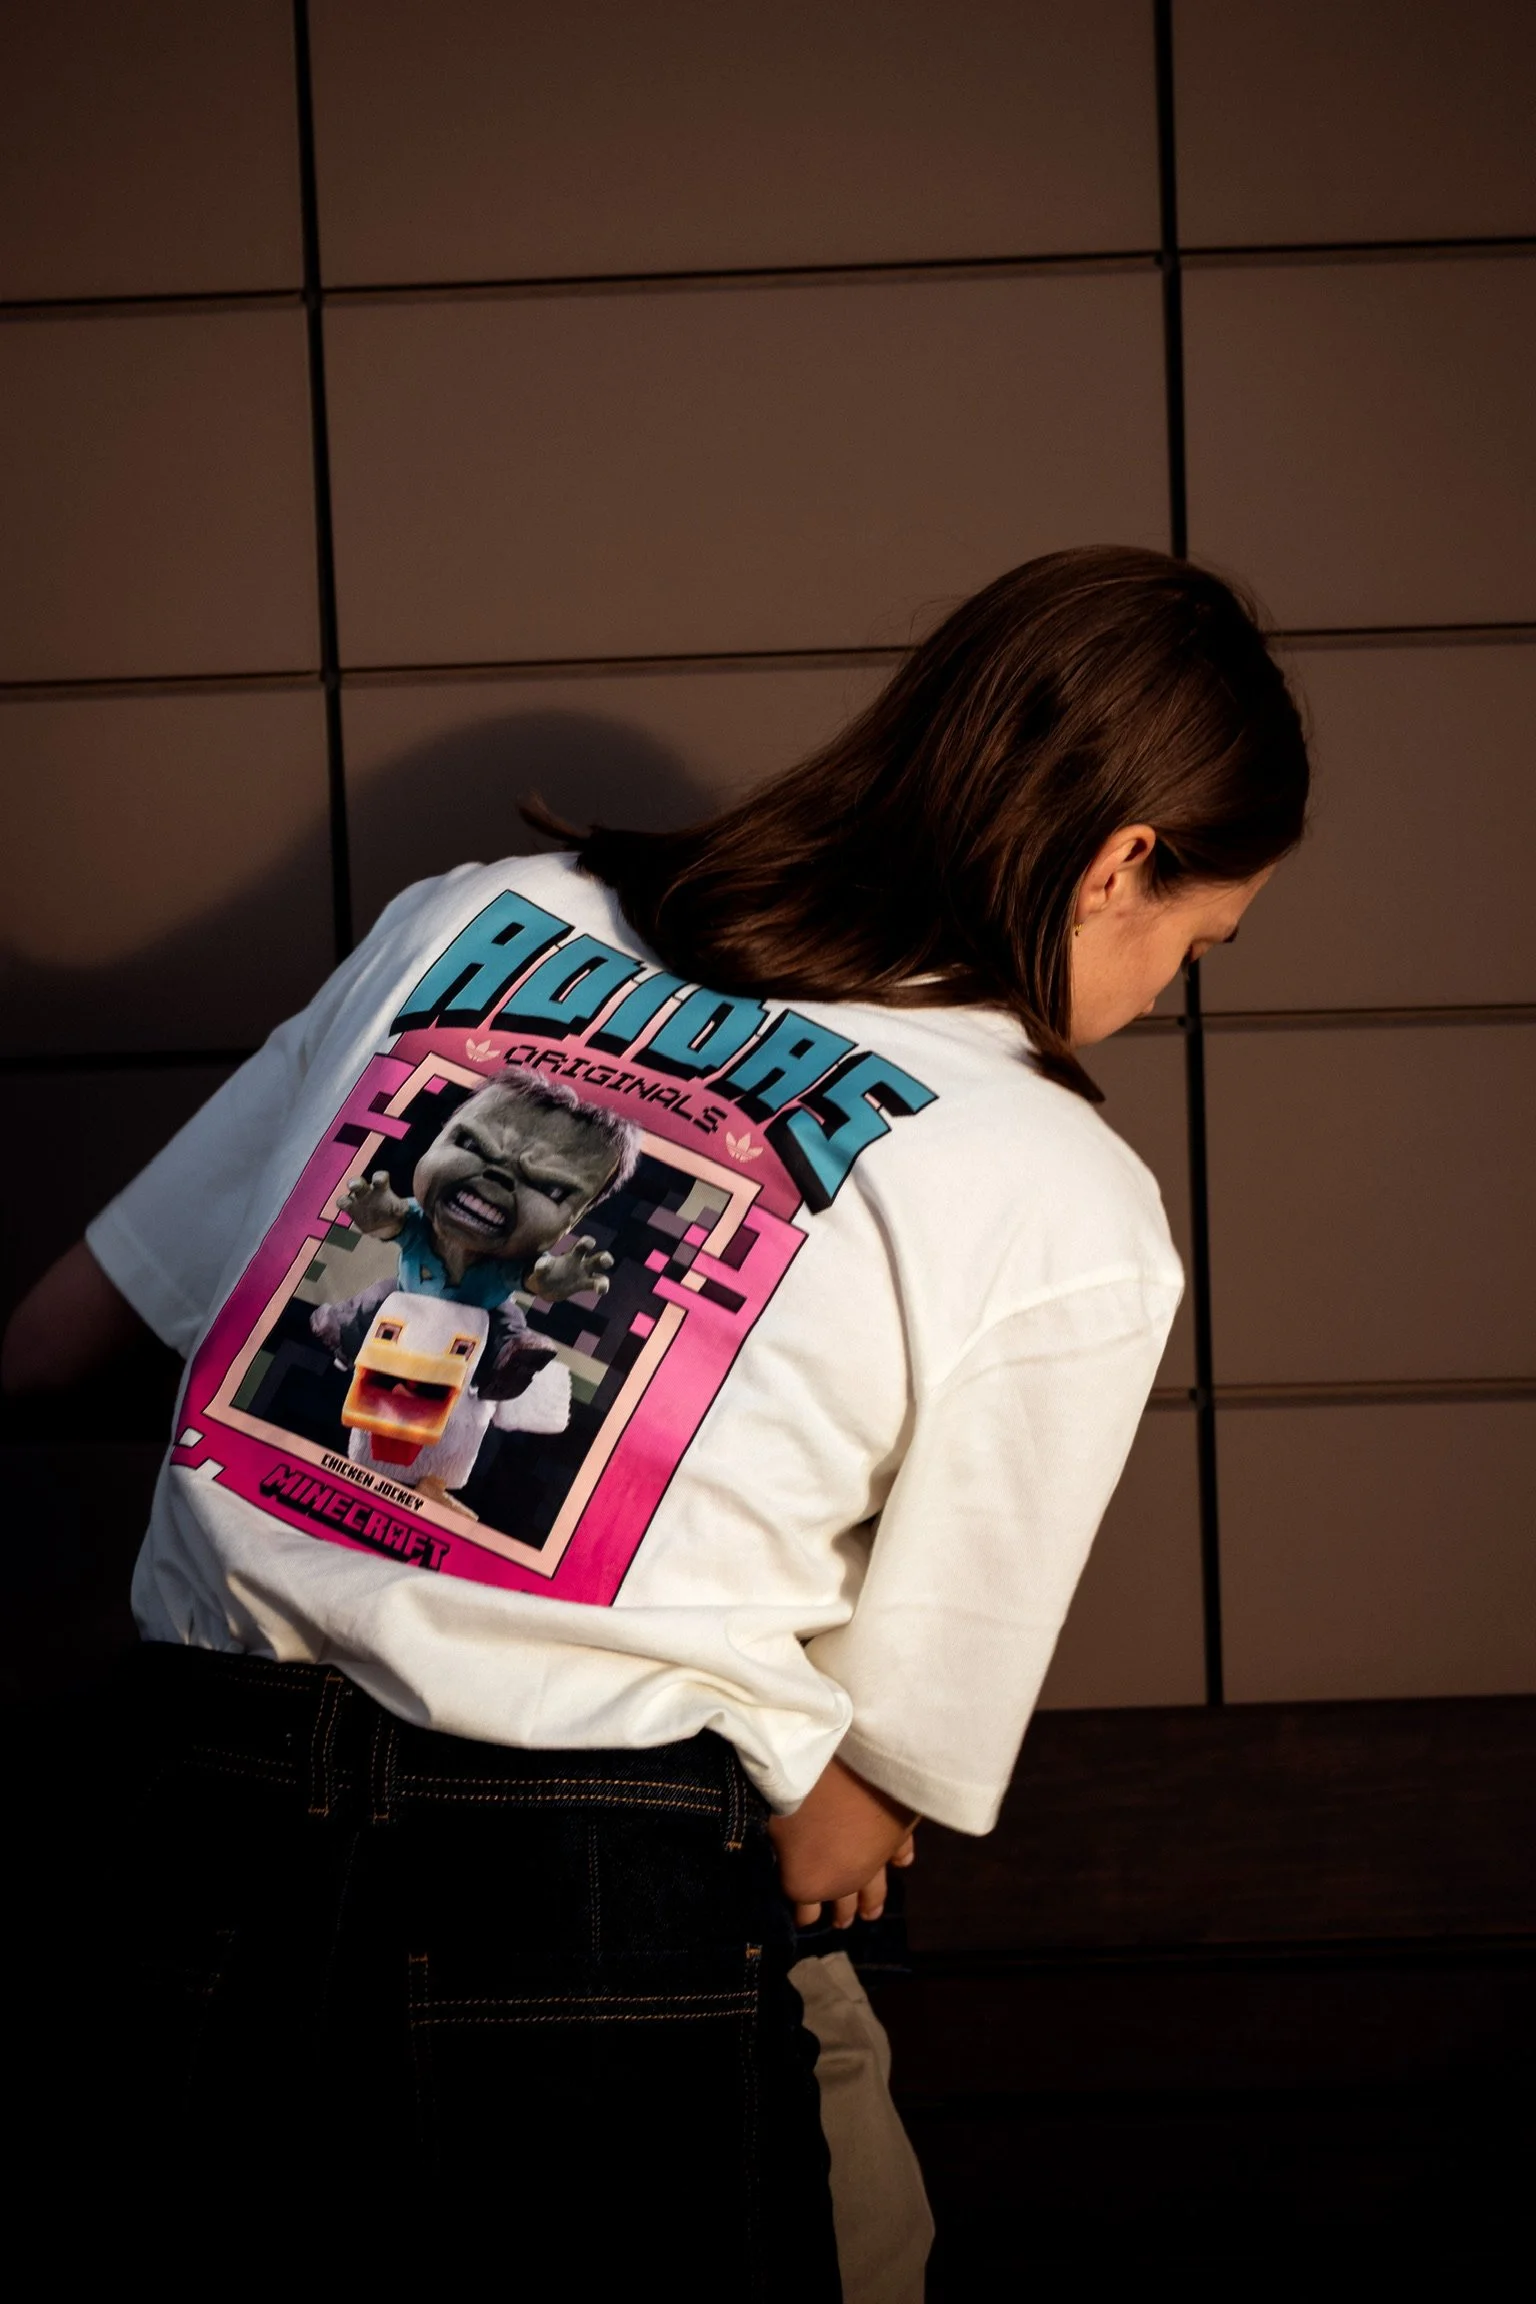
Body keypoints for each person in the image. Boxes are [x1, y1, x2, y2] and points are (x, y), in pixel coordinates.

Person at [3, 546, 1306, 2291]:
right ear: (1122, 863)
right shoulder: (1065, 1195)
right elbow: (856, 1813)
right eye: (1196, 952)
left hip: (188, 1830)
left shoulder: (481, 913)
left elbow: (53, 1345)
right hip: (581, 1899)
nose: (1160, 1000)